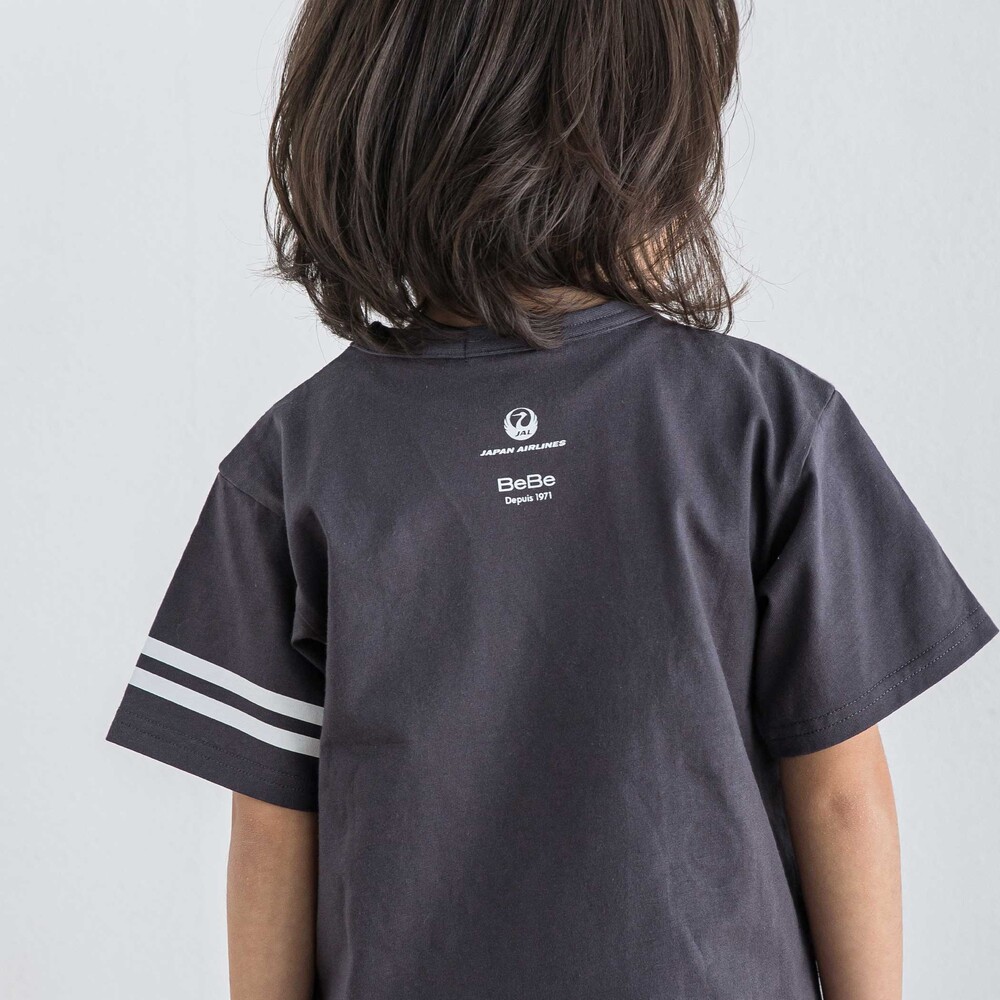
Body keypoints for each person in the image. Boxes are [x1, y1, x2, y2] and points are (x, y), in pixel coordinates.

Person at [104, 2, 996, 998]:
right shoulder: (767, 424)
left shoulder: (295, 460)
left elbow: (274, 828)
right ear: (653, 125)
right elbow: (840, 796)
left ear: (362, 112)